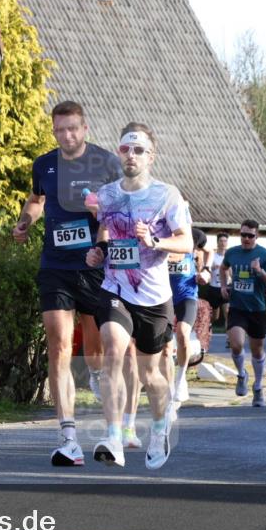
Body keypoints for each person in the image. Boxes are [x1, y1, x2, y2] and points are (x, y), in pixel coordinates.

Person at [13, 101, 121, 467]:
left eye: (73, 128)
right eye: (60, 130)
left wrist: (102, 234)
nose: (67, 135)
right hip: (56, 265)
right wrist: (25, 221)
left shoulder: (106, 163)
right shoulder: (44, 165)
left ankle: (99, 391)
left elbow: (120, 211)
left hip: (94, 266)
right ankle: (68, 439)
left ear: (85, 128)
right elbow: (36, 200)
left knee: (95, 350)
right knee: (59, 346)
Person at [85, 123, 192, 470]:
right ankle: (114, 437)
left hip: (154, 296)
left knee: (151, 375)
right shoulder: (107, 194)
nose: (131, 156)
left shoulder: (167, 195)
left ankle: (160, 427)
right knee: (113, 352)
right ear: (119, 153)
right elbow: (105, 228)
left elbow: (186, 242)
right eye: (125, 149)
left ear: (151, 157)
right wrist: (98, 251)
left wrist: (155, 243)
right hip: (115, 288)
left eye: (139, 150)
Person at [220, 220, 266, 407]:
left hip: (257, 308)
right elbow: (223, 268)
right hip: (237, 307)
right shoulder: (232, 253)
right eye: (243, 235)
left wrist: (259, 272)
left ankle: (258, 386)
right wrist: (222, 285)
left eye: (250, 235)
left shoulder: (265, 255)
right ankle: (242, 374)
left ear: (256, 236)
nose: (246, 239)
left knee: (257, 350)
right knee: (236, 344)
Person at [167, 225, 209, 403]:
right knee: (165, 345)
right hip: (164, 297)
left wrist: (205, 269)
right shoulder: (159, 235)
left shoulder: (194, 234)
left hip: (187, 294)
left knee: (183, 333)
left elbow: (209, 249)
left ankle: (181, 377)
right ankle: (167, 382)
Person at [200, 232, 230, 326]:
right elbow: (204, 269)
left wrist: (228, 269)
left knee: (228, 312)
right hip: (214, 288)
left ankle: (229, 338)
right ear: (217, 242)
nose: (223, 243)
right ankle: (206, 328)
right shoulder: (212, 256)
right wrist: (212, 267)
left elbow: (234, 274)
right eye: (221, 241)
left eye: (225, 241)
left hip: (227, 287)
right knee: (215, 316)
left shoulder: (230, 256)